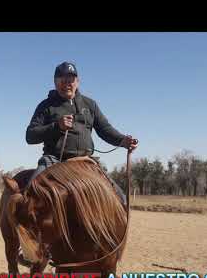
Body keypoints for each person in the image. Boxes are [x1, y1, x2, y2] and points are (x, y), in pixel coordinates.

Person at [26, 61, 139, 204]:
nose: (67, 83)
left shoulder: (90, 105)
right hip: (54, 160)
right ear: (55, 82)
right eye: (62, 79)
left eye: (71, 79)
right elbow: (30, 136)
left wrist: (123, 141)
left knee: (120, 199)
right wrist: (56, 126)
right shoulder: (46, 106)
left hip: (85, 161)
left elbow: (105, 129)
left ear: (77, 82)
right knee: (31, 194)